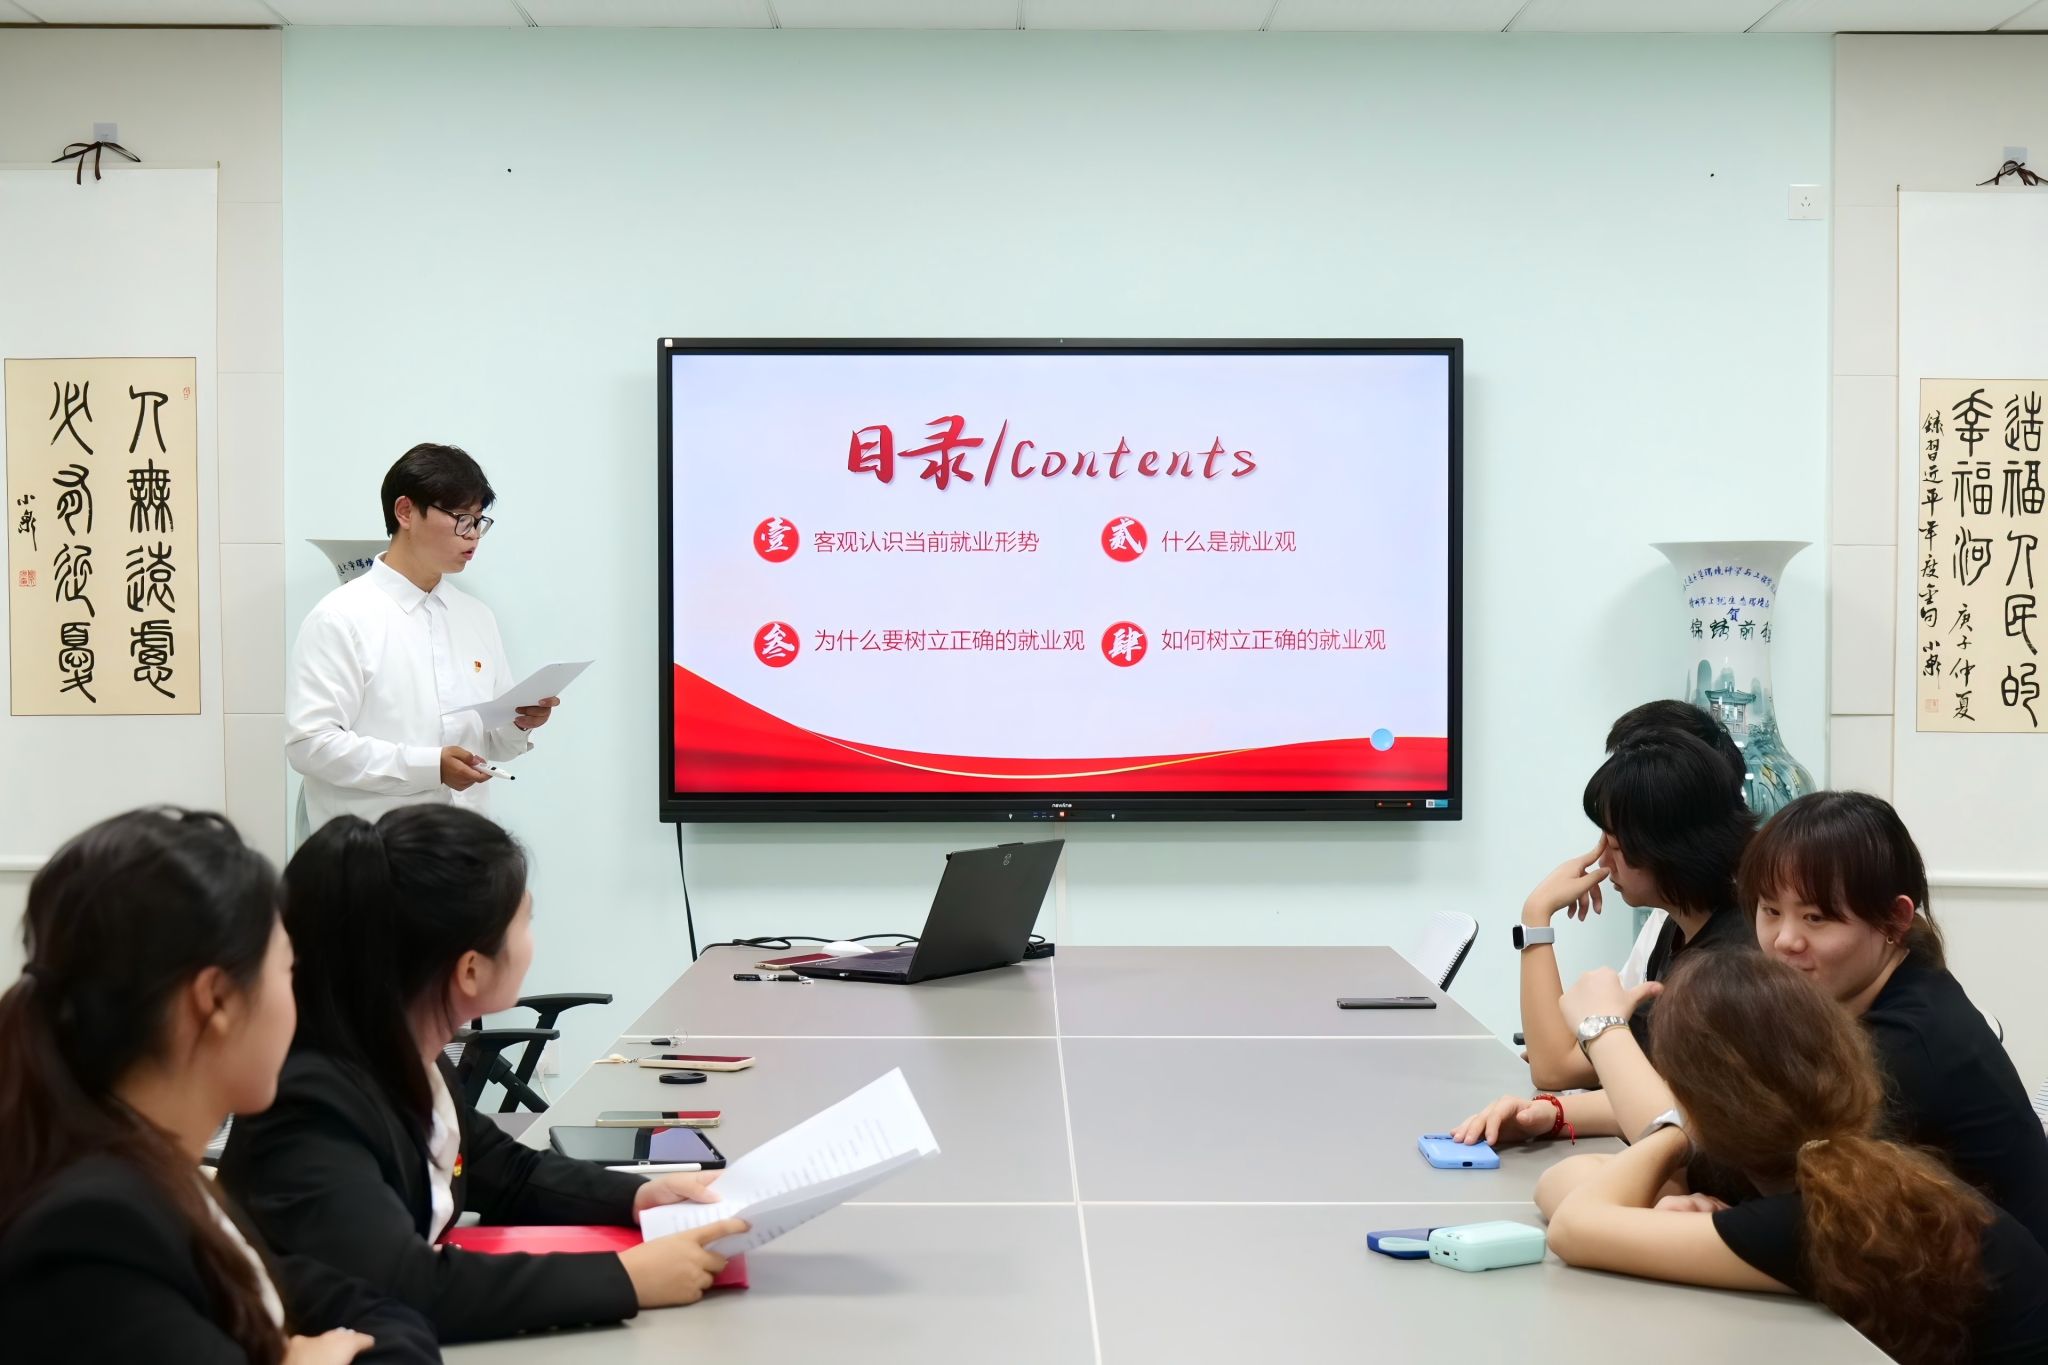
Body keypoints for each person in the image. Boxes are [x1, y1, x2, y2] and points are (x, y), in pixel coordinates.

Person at [219, 806, 744, 1343]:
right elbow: (403, 1287)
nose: (533, 941)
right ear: (471, 969)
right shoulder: (312, 1104)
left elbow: (506, 1171)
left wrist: (638, 1197)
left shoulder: (409, 1056)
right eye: (526, 921)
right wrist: (624, 1278)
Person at [0, 809, 438, 1365]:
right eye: (287, 972)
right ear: (217, 1000)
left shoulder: (162, 1175)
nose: (296, 1001)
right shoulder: (95, 1229)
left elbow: (367, 1306)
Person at [1536, 950, 2048, 1365]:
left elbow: (1574, 1225)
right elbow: (1568, 1181)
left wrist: (1676, 1130)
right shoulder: (1848, 1170)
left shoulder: (1803, 1224)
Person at [1745, 790, 2048, 1250]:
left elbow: (1782, 1199)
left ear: (1894, 919)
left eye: (1816, 917)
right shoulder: (1862, 996)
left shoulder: (1906, 1044)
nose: (1785, 939)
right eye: (1770, 911)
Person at [286, 443, 559, 834]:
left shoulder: (476, 616)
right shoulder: (341, 617)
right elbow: (311, 745)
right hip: (374, 850)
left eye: (479, 521)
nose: (473, 535)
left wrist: (520, 723)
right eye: (461, 519)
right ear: (405, 511)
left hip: (464, 844)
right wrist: (429, 767)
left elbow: (493, 745)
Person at [1603, 701, 1746, 992]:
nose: (1603, 861)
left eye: (1617, 843)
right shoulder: (1673, 923)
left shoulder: (1729, 963)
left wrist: (1537, 920)